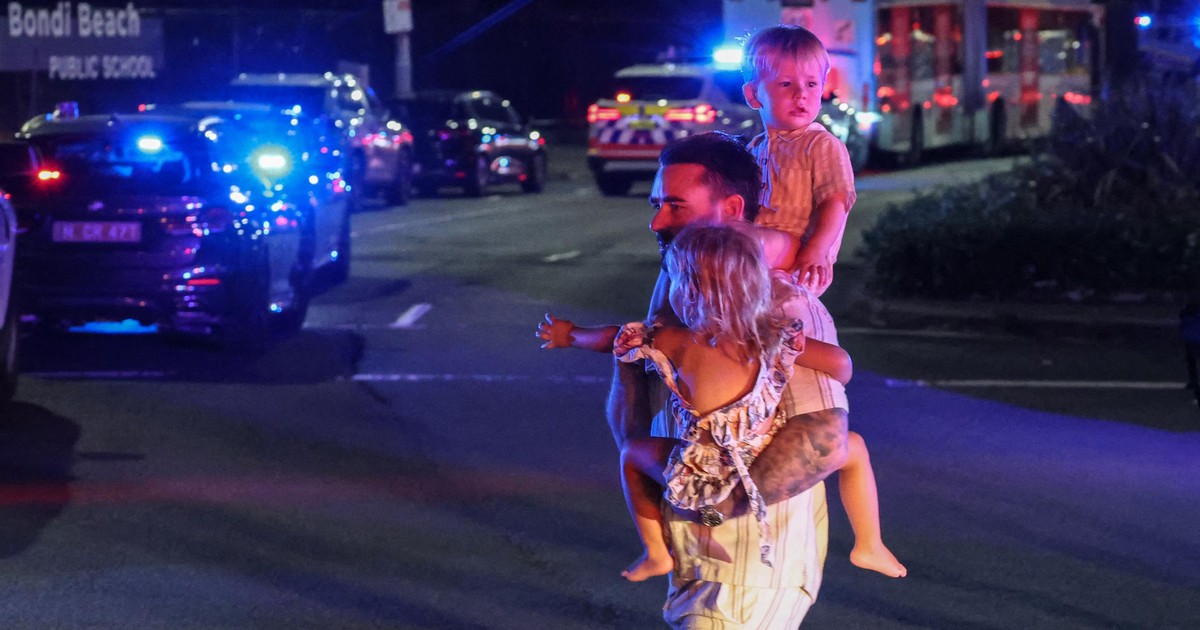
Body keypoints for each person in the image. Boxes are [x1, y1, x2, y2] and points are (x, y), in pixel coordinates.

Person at [586, 131, 851, 626]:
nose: (657, 221)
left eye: (676, 206)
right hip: (699, 567)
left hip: (747, 573)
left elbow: (826, 438)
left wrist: (711, 505)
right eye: (656, 204)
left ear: (731, 209)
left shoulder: (778, 299)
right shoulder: (684, 285)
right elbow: (639, 431)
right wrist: (627, 364)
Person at [538, 223, 854, 583]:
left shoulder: (677, 341)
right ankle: (868, 539)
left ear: (689, 292)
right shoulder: (771, 338)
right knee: (852, 451)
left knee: (633, 454)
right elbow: (841, 364)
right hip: (760, 467)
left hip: (703, 478)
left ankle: (656, 553)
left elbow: (615, 338)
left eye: (677, 282)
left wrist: (571, 335)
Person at [741, 24, 857, 297]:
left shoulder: (821, 144)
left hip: (801, 258)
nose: (800, 93)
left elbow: (836, 201)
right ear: (753, 94)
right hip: (763, 258)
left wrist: (816, 250)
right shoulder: (754, 148)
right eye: (785, 83)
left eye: (811, 84)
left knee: (729, 245)